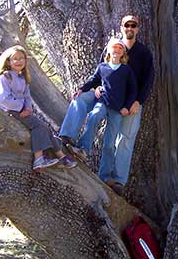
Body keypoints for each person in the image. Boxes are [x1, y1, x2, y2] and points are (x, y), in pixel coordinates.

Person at [59, 15, 154, 195]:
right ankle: (68, 137)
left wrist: (137, 101)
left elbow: (148, 80)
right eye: (127, 25)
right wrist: (91, 88)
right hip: (103, 95)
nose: (130, 28)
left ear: (138, 29)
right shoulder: (111, 47)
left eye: (134, 25)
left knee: (123, 140)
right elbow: (100, 73)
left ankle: (114, 179)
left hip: (129, 102)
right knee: (79, 100)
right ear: (121, 27)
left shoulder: (143, 53)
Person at [0, 45, 77, 171]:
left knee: (45, 128)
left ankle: (61, 156)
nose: (19, 61)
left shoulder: (22, 78)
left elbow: (27, 96)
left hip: (22, 111)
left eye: (22, 58)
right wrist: (21, 108)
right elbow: (4, 99)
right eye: (15, 59)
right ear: (8, 61)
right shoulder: (5, 77)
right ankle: (39, 159)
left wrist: (28, 108)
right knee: (39, 126)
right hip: (8, 110)